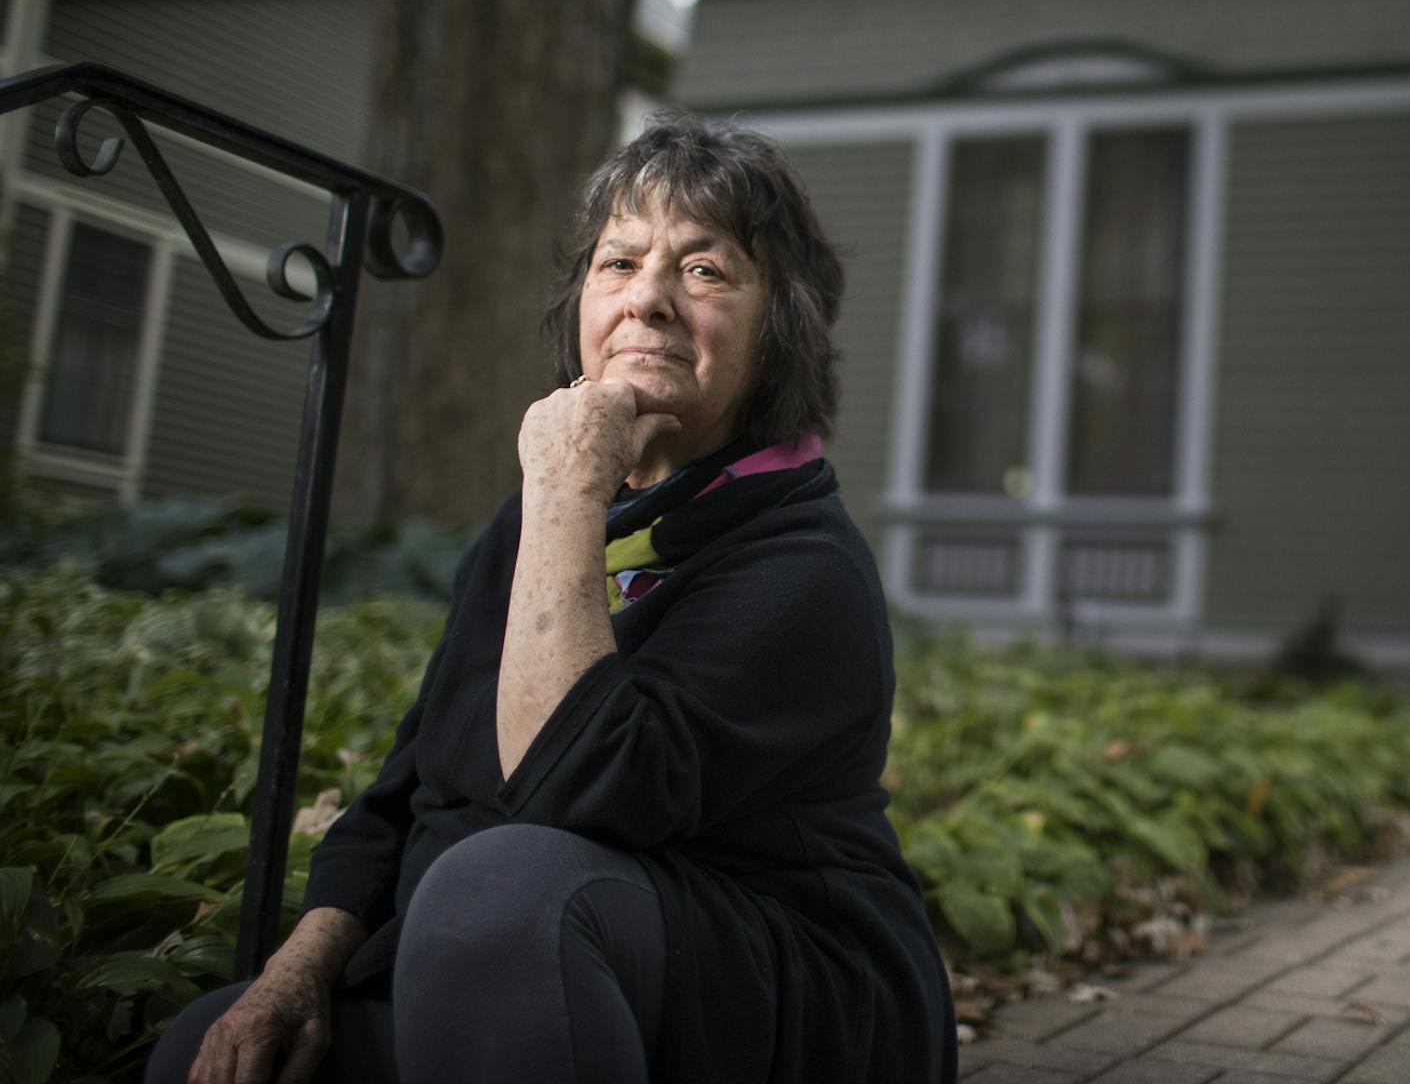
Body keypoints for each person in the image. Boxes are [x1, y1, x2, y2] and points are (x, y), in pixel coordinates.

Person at [148, 120, 959, 1084]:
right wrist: (296, 974)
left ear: (778, 330)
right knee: (203, 1048)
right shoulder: (538, 522)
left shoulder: (803, 563)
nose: (648, 299)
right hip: (515, 970)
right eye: (619, 262)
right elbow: (412, 786)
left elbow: (572, 791)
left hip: (773, 998)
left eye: (704, 270)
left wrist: (568, 488)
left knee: (501, 888)